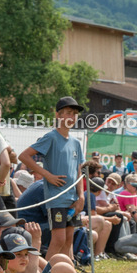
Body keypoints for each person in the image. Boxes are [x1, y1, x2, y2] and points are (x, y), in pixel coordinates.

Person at [17, 97, 86, 260]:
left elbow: (78, 170)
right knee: (59, 239)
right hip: (56, 198)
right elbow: (24, 156)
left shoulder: (76, 142)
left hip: (73, 198)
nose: (72, 117)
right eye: (68, 113)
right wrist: (48, 175)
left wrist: (81, 196)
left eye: (75, 114)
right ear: (58, 115)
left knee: (69, 239)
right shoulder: (51, 137)